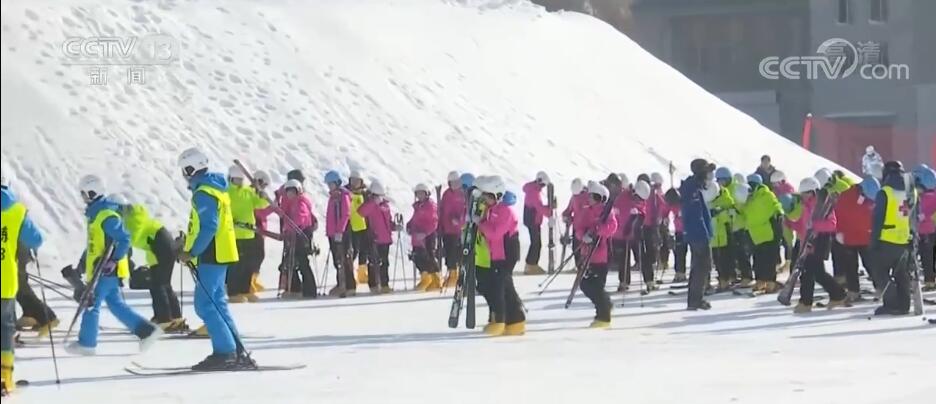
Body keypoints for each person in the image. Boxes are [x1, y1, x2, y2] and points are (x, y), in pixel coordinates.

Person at [65, 175, 161, 356]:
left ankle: (86, 343)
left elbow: (124, 239)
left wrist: (113, 260)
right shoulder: (96, 215)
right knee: (116, 305)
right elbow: (93, 245)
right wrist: (81, 267)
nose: (82, 197)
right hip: (100, 269)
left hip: (106, 270)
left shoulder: (106, 215)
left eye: (84, 194)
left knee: (91, 303)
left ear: (92, 192)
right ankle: (146, 331)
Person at [176, 148, 252, 370]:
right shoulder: (214, 188)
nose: (184, 175)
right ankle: (236, 350)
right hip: (219, 253)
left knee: (205, 304)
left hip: (211, 253)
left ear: (191, 169)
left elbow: (209, 226)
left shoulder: (204, 192)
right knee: (217, 303)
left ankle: (225, 352)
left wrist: (192, 251)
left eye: (185, 170)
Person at [1, 173, 44, 395]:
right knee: (5, 327)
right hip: (5, 280)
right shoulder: (17, 210)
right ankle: (4, 378)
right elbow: (37, 239)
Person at [117, 195, 186, 332]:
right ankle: (174, 316)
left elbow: (131, 238)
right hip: (159, 249)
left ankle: (164, 319)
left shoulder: (134, 218)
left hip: (162, 248)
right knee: (163, 283)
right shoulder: (133, 217)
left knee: (158, 284)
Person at [476, 176, 525, 336]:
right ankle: (516, 320)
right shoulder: (491, 210)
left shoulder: (505, 211)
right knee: (503, 286)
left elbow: (495, 233)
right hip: (496, 254)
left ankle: (500, 320)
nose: (486, 199)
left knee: (499, 286)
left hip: (506, 253)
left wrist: (480, 223)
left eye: (489, 196)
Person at [793, 177, 848, 313]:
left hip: (820, 240)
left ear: (812, 192)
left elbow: (832, 224)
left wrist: (815, 225)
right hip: (809, 241)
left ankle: (806, 302)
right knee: (815, 272)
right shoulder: (805, 206)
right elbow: (803, 225)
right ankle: (837, 295)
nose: (803, 196)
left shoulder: (823, 204)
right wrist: (792, 223)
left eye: (805, 193)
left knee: (810, 272)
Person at [870, 161, 912, 316]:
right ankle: (904, 305)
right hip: (905, 239)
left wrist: (873, 242)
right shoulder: (911, 191)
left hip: (887, 239)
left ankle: (892, 304)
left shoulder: (885, 192)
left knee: (880, 273)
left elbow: (878, 219)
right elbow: (914, 216)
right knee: (902, 274)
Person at [577, 181, 619, 328]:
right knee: (585, 284)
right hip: (587, 253)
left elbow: (612, 227)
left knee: (596, 286)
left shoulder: (607, 213)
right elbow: (579, 227)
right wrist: (583, 236)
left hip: (601, 255)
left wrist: (598, 230)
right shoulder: (586, 211)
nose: (589, 199)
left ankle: (603, 315)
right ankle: (604, 305)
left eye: (593, 196)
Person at [226, 165, 270, 302]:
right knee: (236, 265)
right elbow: (222, 209)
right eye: (236, 179)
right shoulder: (226, 192)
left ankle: (246, 290)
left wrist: (262, 196)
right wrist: (230, 220)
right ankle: (234, 292)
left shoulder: (248, 191)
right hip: (235, 233)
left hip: (249, 233)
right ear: (231, 179)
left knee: (248, 264)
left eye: (241, 179)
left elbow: (259, 204)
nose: (239, 182)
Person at [832, 176, 877, 299]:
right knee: (851, 267)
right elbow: (837, 214)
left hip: (865, 237)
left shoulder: (869, 197)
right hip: (850, 237)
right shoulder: (845, 196)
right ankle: (853, 291)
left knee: (871, 264)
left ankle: (880, 288)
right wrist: (838, 231)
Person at [680, 159, 715, 310]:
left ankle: (695, 299)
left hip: (697, 233)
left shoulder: (693, 187)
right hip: (698, 234)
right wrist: (704, 233)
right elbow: (695, 215)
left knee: (699, 267)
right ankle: (695, 300)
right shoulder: (692, 189)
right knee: (702, 266)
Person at [743, 173, 784, 294]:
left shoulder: (765, 194)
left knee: (769, 259)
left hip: (768, 232)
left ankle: (771, 283)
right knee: (758, 259)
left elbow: (776, 207)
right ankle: (760, 282)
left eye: (752, 184)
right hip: (755, 234)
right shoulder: (748, 197)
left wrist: (778, 216)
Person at [279, 180, 318, 298]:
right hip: (294, 235)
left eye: (292, 191)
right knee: (291, 262)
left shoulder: (301, 202)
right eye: (288, 192)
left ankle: (310, 290)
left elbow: (300, 218)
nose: (290, 194)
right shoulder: (291, 203)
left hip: (302, 236)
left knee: (302, 262)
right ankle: (295, 288)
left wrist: (288, 227)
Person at [357, 180, 393, 294]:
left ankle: (384, 284)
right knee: (373, 262)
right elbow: (361, 212)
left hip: (385, 238)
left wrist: (394, 226)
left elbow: (388, 221)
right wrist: (373, 203)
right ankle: (374, 285)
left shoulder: (386, 206)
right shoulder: (370, 205)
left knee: (384, 262)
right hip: (374, 238)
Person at [324, 171, 355, 297]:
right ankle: (341, 283)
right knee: (337, 260)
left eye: (331, 184)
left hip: (342, 232)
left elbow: (346, 214)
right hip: (333, 233)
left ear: (337, 183)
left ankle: (349, 285)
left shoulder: (343, 195)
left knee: (345, 259)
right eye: (328, 184)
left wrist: (340, 231)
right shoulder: (333, 197)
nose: (330, 186)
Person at [408, 183, 441, 292]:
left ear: (426, 194)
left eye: (422, 193)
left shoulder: (430, 205)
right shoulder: (418, 206)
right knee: (418, 257)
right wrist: (409, 225)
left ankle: (434, 280)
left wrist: (425, 233)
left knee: (429, 257)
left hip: (427, 236)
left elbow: (434, 221)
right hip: (417, 237)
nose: (420, 195)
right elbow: (415, 219)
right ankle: (426, 277)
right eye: (418, 193)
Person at [521, 172, 553, 275]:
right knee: (536, 243)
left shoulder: (532, 189)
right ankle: (531, 265)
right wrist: (550, 212)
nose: (543, 187)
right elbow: (539, 208)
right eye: (543, 185)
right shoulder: (533, 192)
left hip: (532, 219)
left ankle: (530, 265)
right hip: (533, 220)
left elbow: (538, 206)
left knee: (535, 242)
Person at [439, 171, 466, 288]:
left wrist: (459, 220)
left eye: (457, 182)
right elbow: (443, 210)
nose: (455, 184)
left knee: (458, 253)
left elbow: (465, 210)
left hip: (459, 230)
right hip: (447, 229)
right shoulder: (446, 194)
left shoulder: (463, 194)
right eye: (453, 182)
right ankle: (452, 274)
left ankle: (459, 275)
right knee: (449, 252)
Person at [711, 168, 737, 291]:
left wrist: (720, 212)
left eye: (723, 180)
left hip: (725, 230)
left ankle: (726, 279)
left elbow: (731, 211)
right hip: (714, 232)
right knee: (717, 258)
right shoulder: (710, 196)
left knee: (726, 255)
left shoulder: (726, 196)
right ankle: (722, 279)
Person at [250, 170, 273, 293]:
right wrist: (272, 207)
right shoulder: (251, 193)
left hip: (261, 229)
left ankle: (254, 278)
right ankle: (248, 280)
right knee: (253, 255)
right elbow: (260, 211)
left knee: (259, 255)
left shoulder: (260, 194)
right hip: (253, 228)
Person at [347, 170, 371, 286]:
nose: (355, 183)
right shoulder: (346, 193)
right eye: (353, 180)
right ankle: (350, 274)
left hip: (363, 225)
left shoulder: (365, 194)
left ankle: (362, 273)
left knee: (364, 250)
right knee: (353, 251)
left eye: (357, 181)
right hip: (351, 226)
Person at [914, 166, 936, 291]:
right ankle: (930, 281)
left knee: (927, 257)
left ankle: (930, 282)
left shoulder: (924, 198)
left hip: (925, 231)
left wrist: (922, 216)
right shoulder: (932, 195)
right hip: (929, 230)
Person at [633, 180, 657, 289]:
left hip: (647, 228)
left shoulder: (648, 198)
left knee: (648, 255)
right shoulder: (633, 200)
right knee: (643, 256)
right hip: (637, 230)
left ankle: (650, 280)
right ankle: (648, 281)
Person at [561, 178, 588, 269]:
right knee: (576, 248)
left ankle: (585, 266)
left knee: (585, 248)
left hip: (587, 228)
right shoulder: (574, 198)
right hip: (576, 228)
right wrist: (566, 216)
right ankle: (579, 266)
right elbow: (568, 210)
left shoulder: (589, 197)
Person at [731, 183, 754, 287]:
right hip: (737, 229)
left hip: (743, 230)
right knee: (739, 255)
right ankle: (744, 276)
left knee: (743, 254)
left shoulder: (746, 204)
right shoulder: (738, 202)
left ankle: (747, 277)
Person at [663, 187, 686, 282]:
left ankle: (694, 274)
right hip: (679, 229)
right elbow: (665, 209)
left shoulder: (684, 202)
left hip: (688, 229)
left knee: (690, 251)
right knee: (679, 251)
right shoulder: (671, 203)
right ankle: (679, 272)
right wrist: (665, 217)